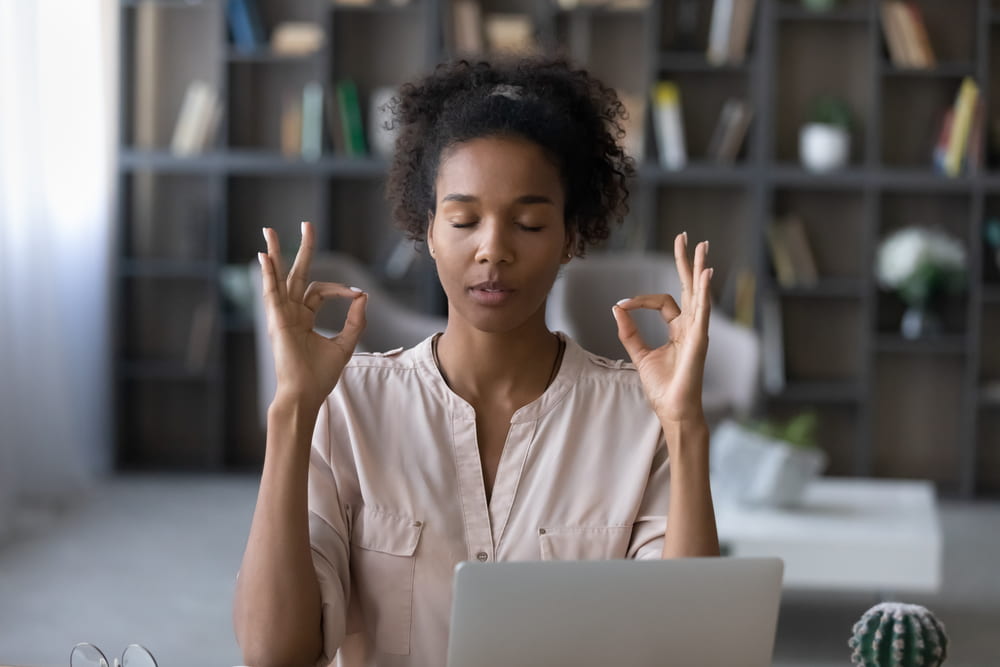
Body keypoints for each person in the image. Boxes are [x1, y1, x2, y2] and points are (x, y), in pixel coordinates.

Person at [233, 55, 720, 667]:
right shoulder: (348, 406)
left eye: (529, 222)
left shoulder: (639, 417)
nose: (493, 249)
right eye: (464, 220)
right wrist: (292, 411)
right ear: (429, 230)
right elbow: (273, 653)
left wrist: (685, 425)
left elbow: (690, 651)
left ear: (571, 236)